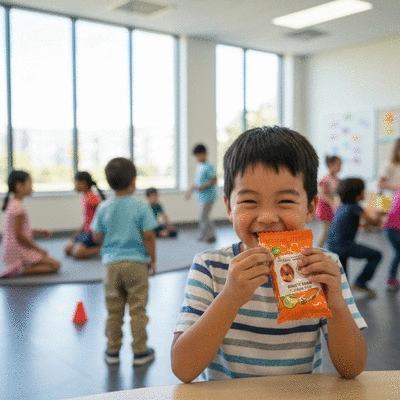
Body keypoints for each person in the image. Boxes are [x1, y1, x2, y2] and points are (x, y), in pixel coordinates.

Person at [171, 126, 367, 383]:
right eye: (249, 202)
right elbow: (183, 369)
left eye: (285, 201)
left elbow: (352, 368)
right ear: (229, 207)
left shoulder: (323, 268)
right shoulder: (210, 267)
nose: (266, 217)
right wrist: (229, 298)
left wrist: (337, 305)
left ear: (310, 209)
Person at [90, 157, 158, 367]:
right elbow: (148, 236)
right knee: (138, 309)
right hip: (137, 265)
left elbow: (96, 237)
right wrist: (152, 259)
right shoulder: (141, 206)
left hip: (111, 266)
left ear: (109, 182)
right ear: (134, 180)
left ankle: (112, 350)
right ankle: (140, 352)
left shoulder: (104, 207)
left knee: (113, 310)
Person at [326, 178, 382, 297]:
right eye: (363, 190)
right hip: (343, 245)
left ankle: (340, 296)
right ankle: (361, 282)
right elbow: (374, 222)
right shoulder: (355, 208)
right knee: (377, 255)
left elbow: (357, 223)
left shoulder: (343, 206)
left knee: (343, 280)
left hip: (332, 244)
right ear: (357, 194)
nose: (365, 193)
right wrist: (380, 211)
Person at [1, 170, 61, 278]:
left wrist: (38, 231)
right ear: (19, 186)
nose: (32, 186)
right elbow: (19, 235)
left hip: (14, 249)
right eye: (29, 183)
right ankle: (20, 270)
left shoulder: (14, 203)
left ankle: (21, 266)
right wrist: (38, 249)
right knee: (55, 265)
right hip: (18, 250)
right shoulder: (18, 206)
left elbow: (17, 229)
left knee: (53, 263)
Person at [64, 171, 106, 259]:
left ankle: (104, 248)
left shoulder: (93, 198)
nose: (75, 185)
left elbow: (104, 215)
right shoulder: (85, 197)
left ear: (83, 183)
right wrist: (78, 232)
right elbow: (87, 219)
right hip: (86, 232)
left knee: (77, 254)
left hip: (93, 233)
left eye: (76, 182)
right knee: (67, 250)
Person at [185, 144, 218, 243]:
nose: (196, 158)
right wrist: (190, 192)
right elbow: (197, 181)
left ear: (203, 154)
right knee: (203, 216)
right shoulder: (200, 166)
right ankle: (204, 234)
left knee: (204, 216)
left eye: (198, 156)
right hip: (202, 197)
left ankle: (210, 235)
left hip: (208, 196)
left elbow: (214, 180)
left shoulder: (209, 166)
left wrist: (201, 187)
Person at [315, 155, 342, 247]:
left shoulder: (337, 179)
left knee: (332, 230)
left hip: (333, 207)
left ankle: (328, 249)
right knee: (325, 231)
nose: (340, 167)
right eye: (338, 164)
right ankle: (317, 250)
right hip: (325, 207)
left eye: (340, 164)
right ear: (330, 165)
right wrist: (332, 203)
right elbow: (322, 194)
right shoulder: (325, 179)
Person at [383, 187, 400, 291]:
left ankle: (391, 278)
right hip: (395, 229)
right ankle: (390, 278)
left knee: (398, 252)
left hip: (389, 228)